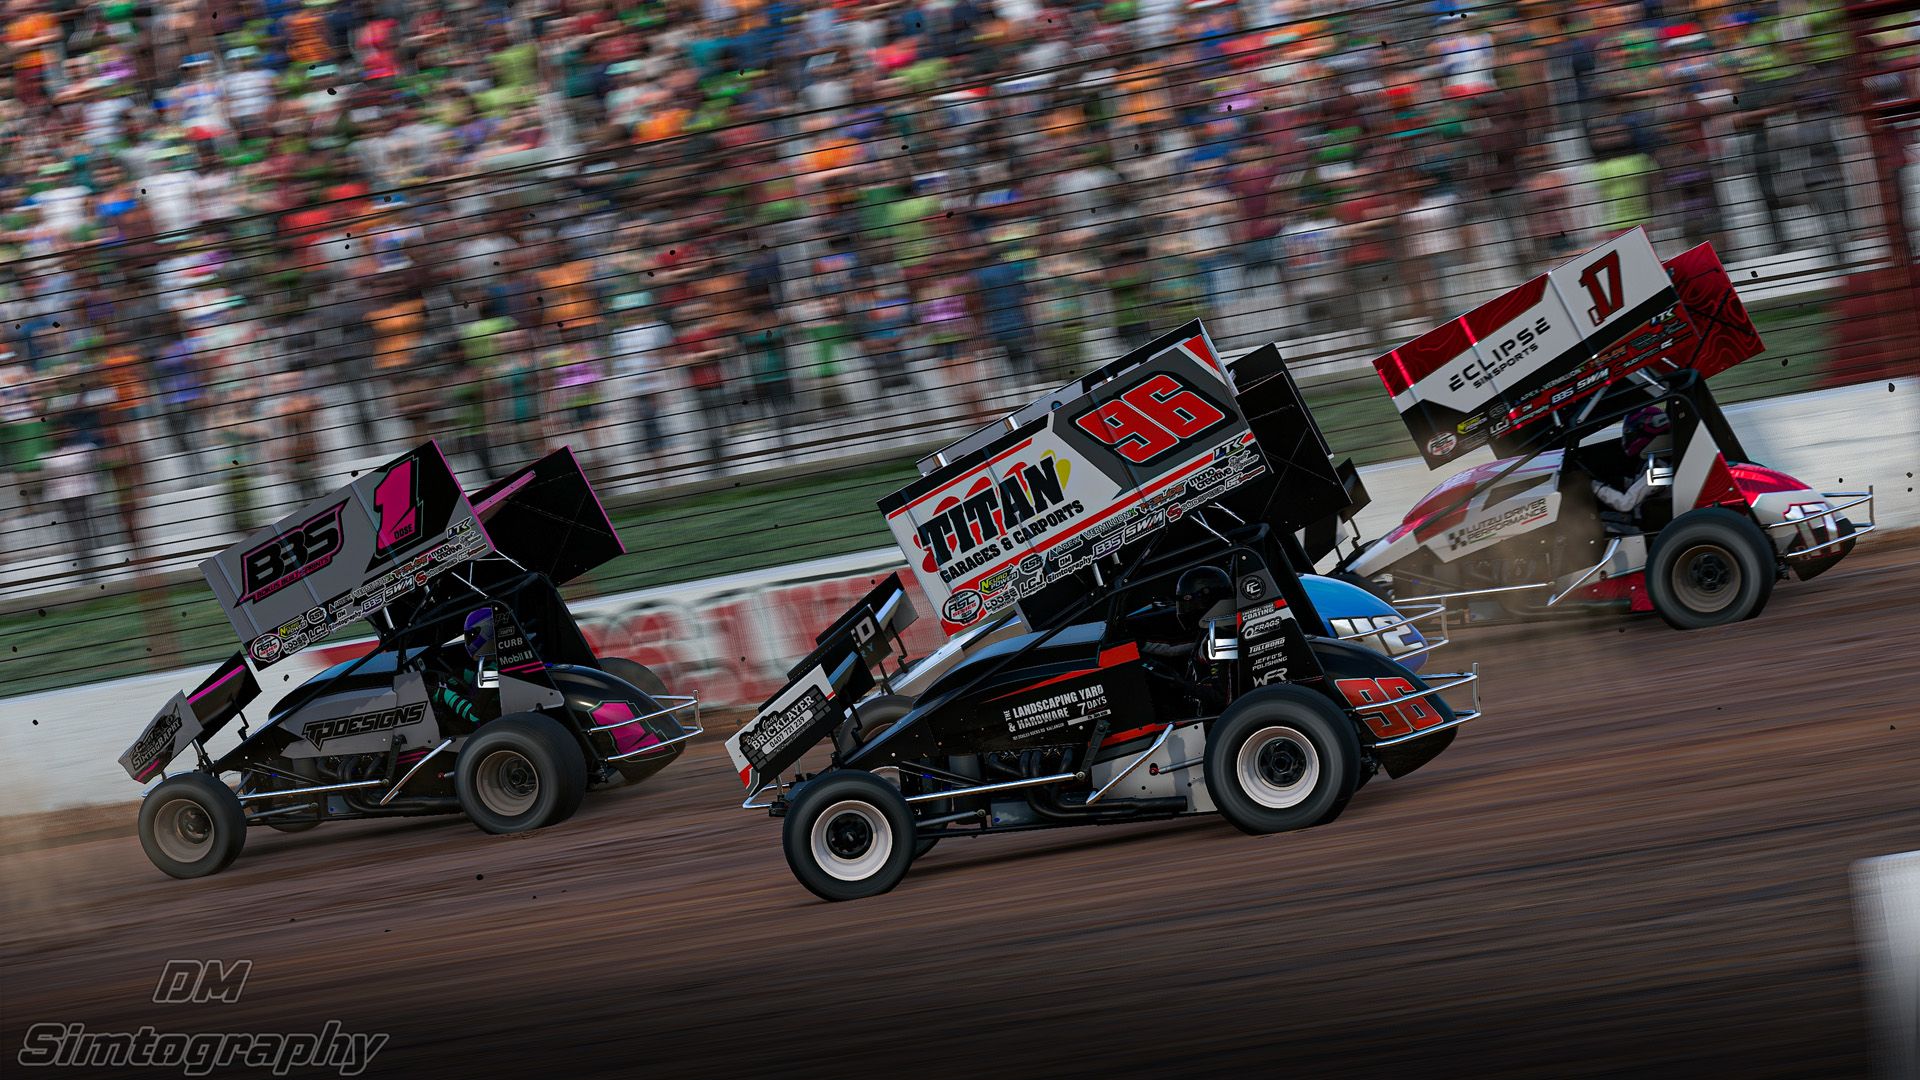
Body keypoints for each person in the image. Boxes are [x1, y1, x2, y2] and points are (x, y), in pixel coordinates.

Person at [1591, 405, 1672, 519]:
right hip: (1644, 516)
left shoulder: (1657, 470)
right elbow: (1643, 487)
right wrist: (1621, 481)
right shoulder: (1660, 463)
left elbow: (1625, 504)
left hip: (1643, 523)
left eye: (1630, 433)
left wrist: (1594, 487)